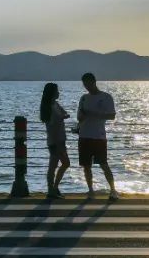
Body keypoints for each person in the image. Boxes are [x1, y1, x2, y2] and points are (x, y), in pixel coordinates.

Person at [76, 72, 120, 200]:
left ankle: (113, 190)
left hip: (98, 136)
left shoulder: (106, 97)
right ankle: (90, 190)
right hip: (84, 135)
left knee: (103, 164)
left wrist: (93, 114)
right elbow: (79, 117)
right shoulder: (84, 98)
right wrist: (82, 119)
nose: (86, 87)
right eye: (84, 84)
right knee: (86, 166)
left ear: (94, 82)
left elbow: (112, 115)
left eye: (88, 83)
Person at [39, 82, 70, 198]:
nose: (58, 93)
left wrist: (62, 116)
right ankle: (51, 190)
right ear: (52, 93)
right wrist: (62, 117)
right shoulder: (49, 108)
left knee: (64, 164)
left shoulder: (55, 104)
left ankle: (54, 188)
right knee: (54, 165)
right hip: (55, 140)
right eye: (56, 91)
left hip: (60, 139)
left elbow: (64, 113)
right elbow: (53, 125)